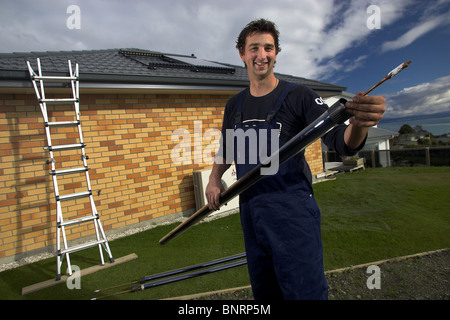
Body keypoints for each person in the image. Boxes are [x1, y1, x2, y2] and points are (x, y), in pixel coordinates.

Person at [205, 18, 386, 300]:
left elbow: (340, 141)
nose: (261, 55)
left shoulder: (299, 96)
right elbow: (228, 148)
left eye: (268, 48)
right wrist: (215, 179)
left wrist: (361, 124)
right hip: (252, 214)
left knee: (305, 293)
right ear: (242, 53)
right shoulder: (235, 105)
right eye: (254, 48)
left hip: (293, 215)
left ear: (276, 53)